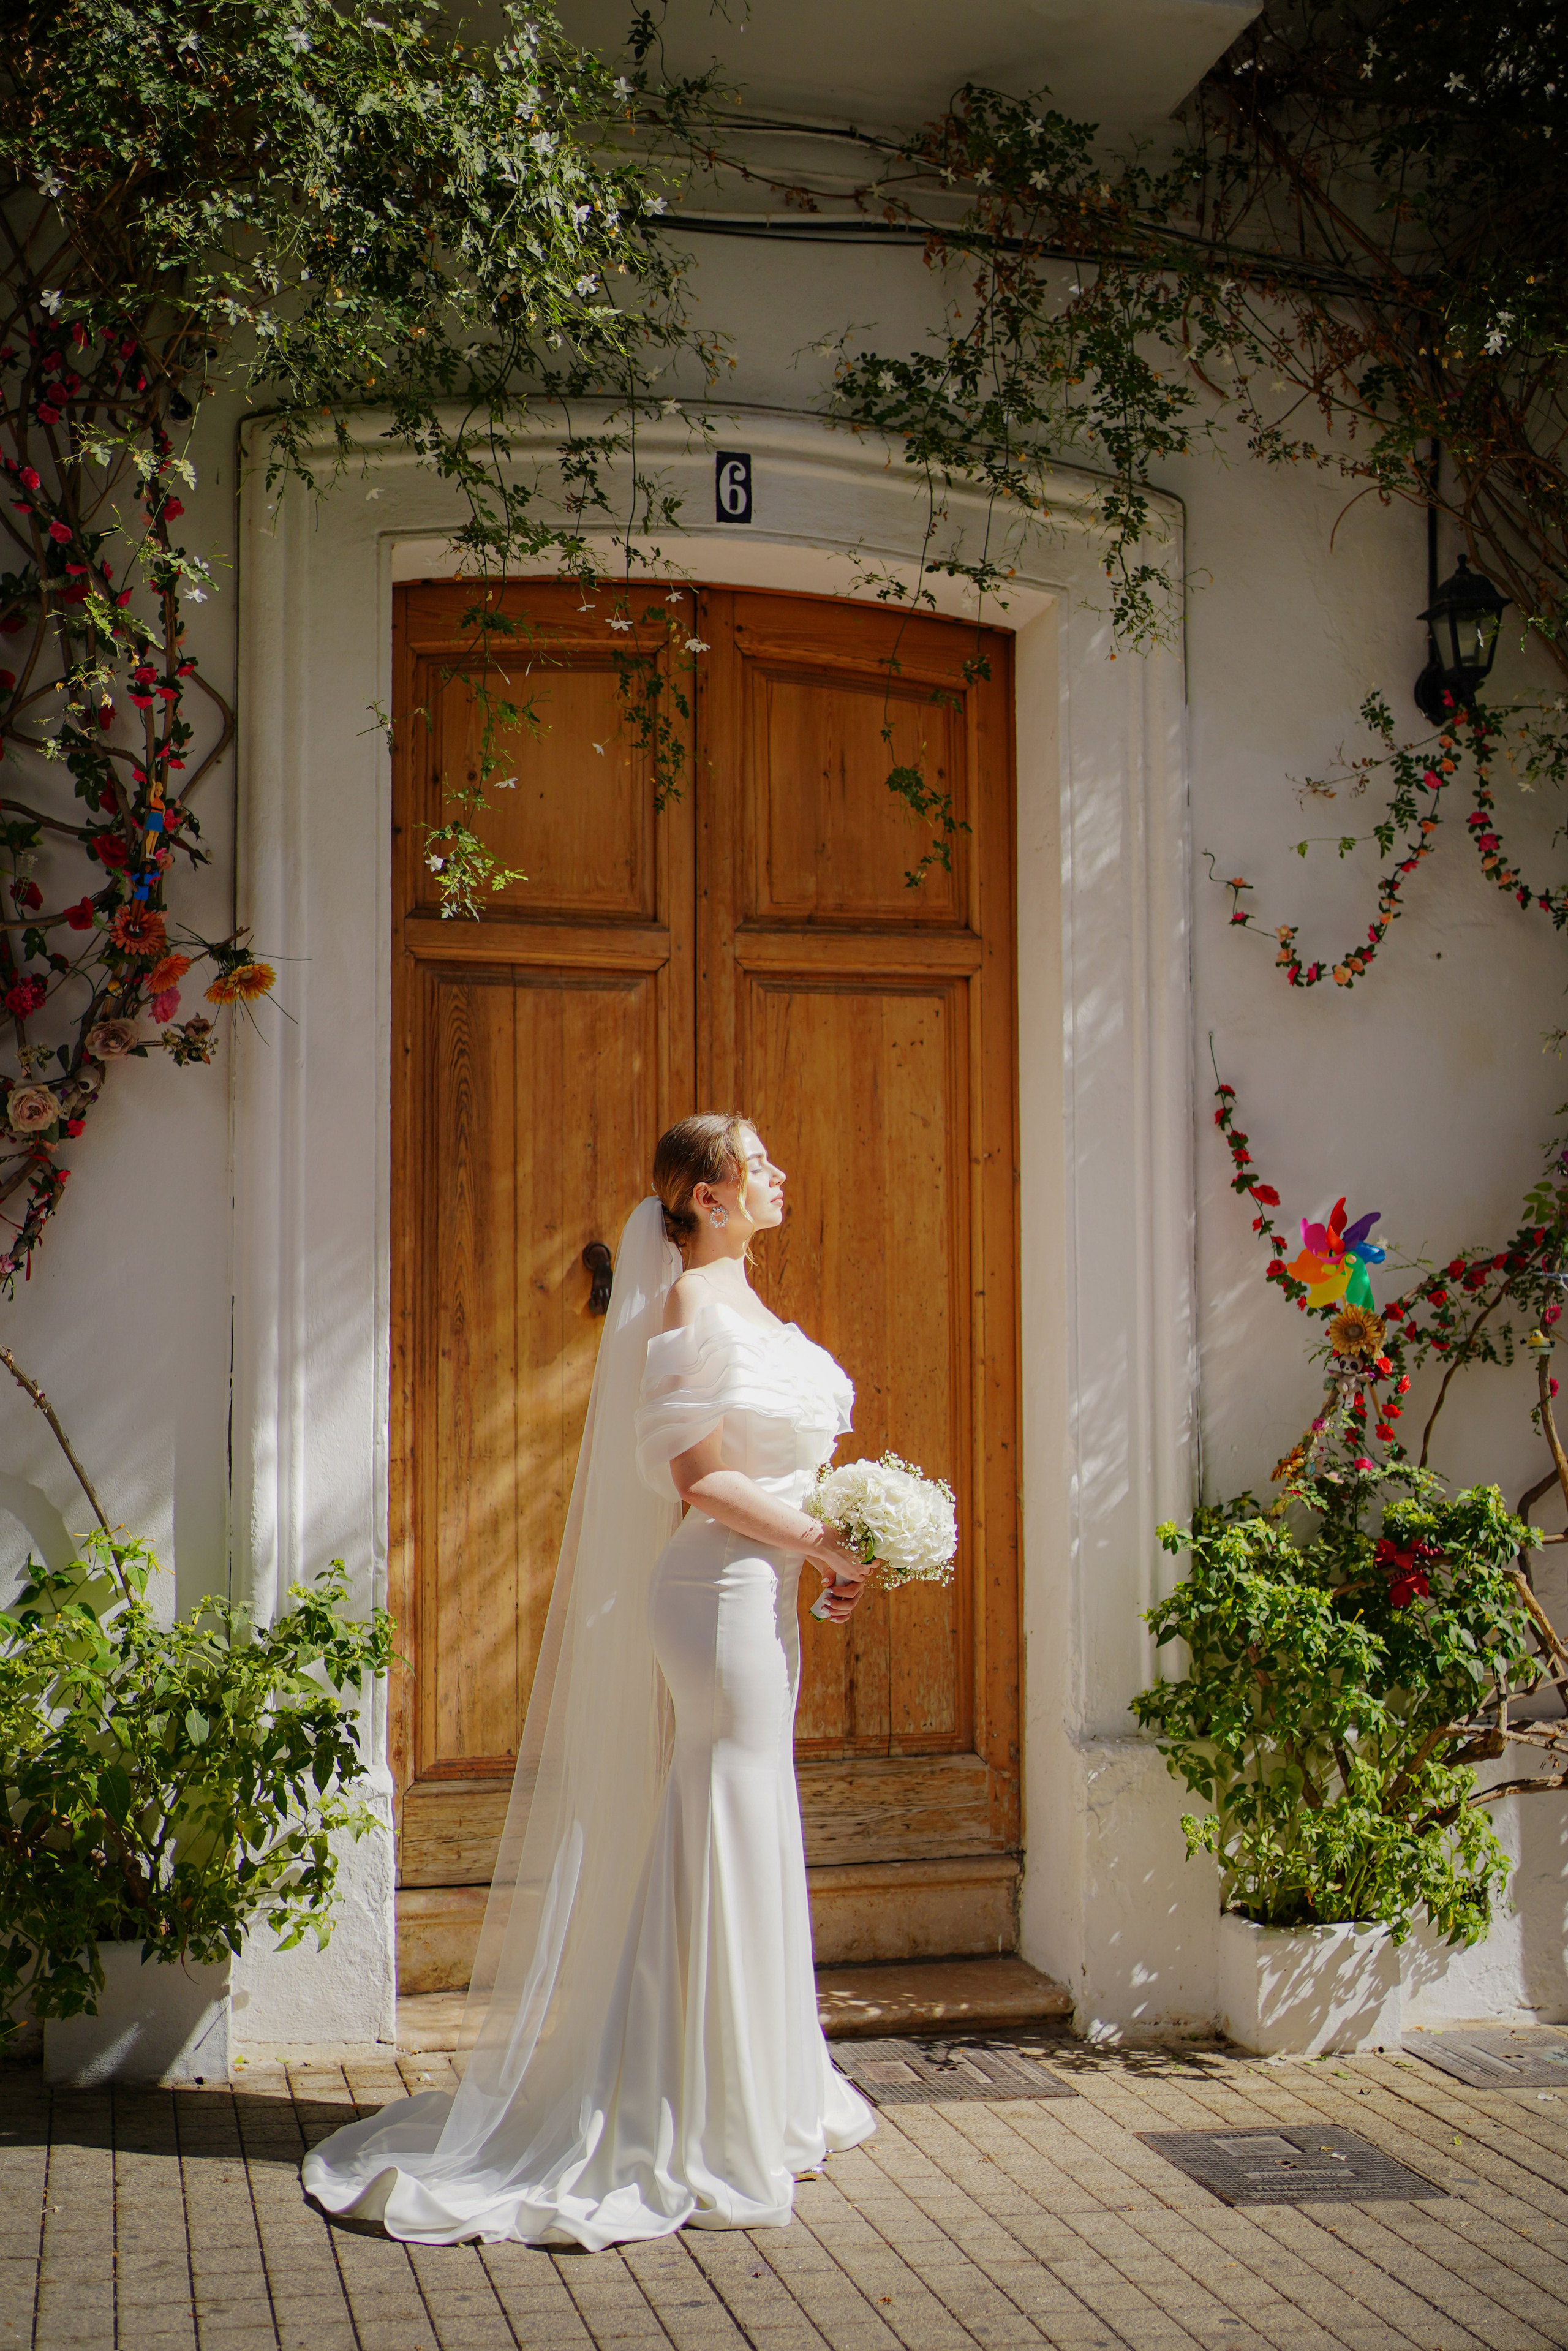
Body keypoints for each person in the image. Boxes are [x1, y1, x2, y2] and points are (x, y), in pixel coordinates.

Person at [303, 1114, 878, 2247]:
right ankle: (682, 2101)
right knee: (722, 1809)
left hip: (764, 1590)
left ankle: (755, 2084)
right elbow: (698, 1477)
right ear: (709, 1195)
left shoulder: (749, 1302)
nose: (779, 1174)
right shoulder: (688, 1303)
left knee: (752, 1809)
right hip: (716, 1593)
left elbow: (774, 1468)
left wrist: (835, 1553)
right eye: (758, 1163)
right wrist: (822, 1540)